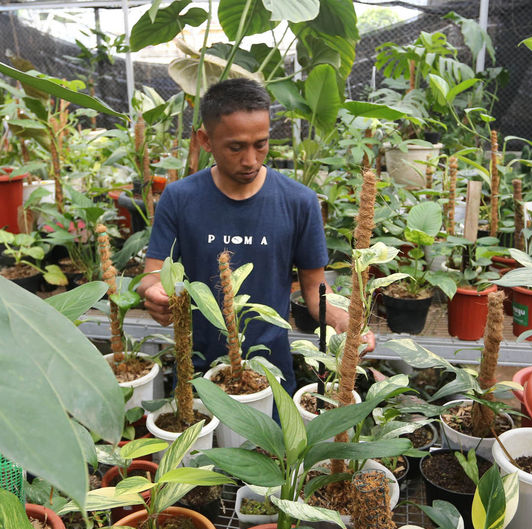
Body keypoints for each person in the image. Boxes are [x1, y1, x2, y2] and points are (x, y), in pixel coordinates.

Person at [137, 78, 374, 394]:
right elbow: (152, 275)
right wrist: (155, 295)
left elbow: (315, 291)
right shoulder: (179, 198)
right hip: (196, 371)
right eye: (236, 147)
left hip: (269, 372)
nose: (250, 159)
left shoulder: (299, 202)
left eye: (260, 144)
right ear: (205, 140)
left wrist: (342, 321)